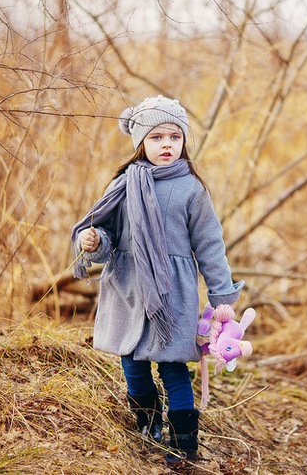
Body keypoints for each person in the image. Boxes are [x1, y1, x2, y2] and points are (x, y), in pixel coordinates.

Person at [70, 95, 244, 465]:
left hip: (172, 292)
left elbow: (209, 245)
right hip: (128, 287)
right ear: (140, 143)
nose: (167, 145)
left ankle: (184, 444)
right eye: (157, 137)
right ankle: (148, 423)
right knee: (132, 362)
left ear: (183, 142)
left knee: (172, 367)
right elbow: (106, 232)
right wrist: (94, 241)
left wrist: (221, 296)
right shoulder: (123, 183)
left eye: (174, 137)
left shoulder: (191, 189)